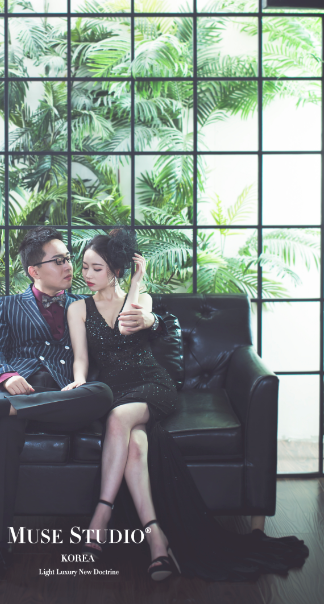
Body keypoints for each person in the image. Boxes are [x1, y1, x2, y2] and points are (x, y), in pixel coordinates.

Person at [64, 227, 310, 582]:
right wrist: (79, 381)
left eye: (96, 268)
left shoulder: (141, 299)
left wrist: (137, 281)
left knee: (119, 418)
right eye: (84, 266)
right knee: (136, 444)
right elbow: (81, 359)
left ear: (116, 270)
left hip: (152, 384)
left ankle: (100, 517)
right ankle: (157, 541)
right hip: (114, 389)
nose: (86, 274)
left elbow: (126, 327)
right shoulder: (77, 308)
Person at [0, 226, 165, 585]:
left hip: (64, 397)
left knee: (101, 394)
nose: (70, 267)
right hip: (15, 391)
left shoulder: (85, 303)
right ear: (34, 271)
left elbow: (135, 321)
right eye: (58, 261)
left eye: (69, 258)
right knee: (2, 428)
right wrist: (6, 376)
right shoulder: (7, 305)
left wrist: (150, 317)